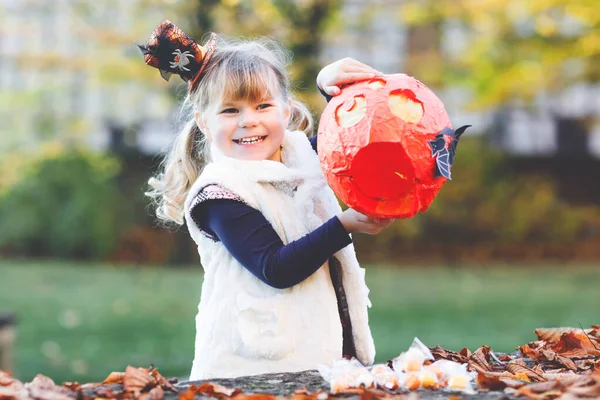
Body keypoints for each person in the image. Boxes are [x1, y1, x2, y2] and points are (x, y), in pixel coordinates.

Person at [140, 20, 395, 380]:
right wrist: (344, 224)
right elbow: (276, 268)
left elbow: (344, 139)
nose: (249, 121)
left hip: (317, 359)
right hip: (248, 372)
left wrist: (328, 86)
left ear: (286, 111)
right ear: (204, 123)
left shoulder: (296, 156)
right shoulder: (219, 194)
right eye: (230, 110)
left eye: (263, 106)